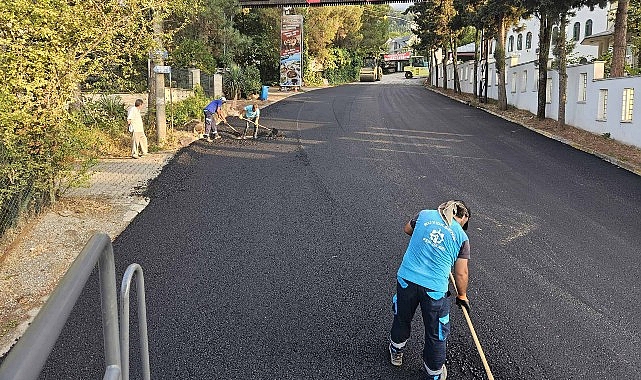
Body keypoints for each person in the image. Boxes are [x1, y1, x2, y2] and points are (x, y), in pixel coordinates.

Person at [389, 200, 471, 380]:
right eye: (465, 223)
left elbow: (407, 229)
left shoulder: (424, 214)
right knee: (436, 332)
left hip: (407, 279)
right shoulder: (461, 237)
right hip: (434, 289)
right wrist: (462, 295)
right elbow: (461, 273)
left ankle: (396, 351)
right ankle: (433, 373)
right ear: (463, 216)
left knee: (402, 317)